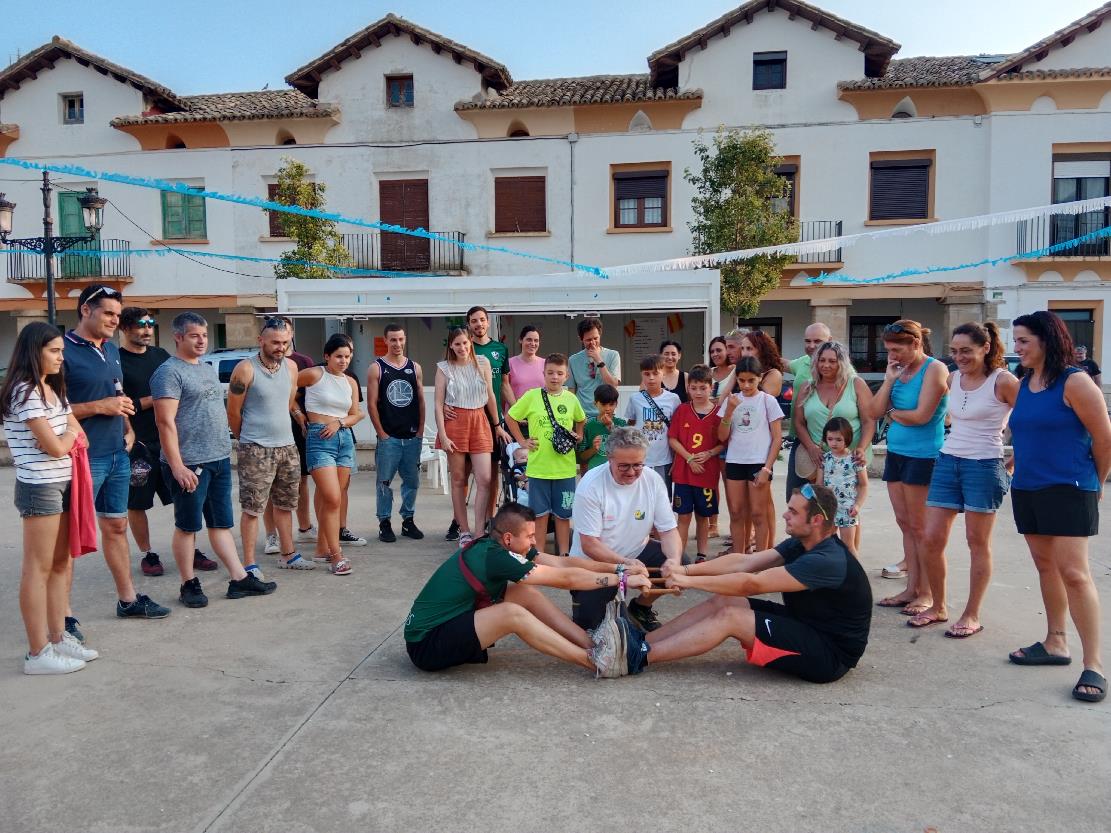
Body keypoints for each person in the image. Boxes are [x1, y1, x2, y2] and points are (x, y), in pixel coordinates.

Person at [646, 484, 872, 685]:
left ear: (816, 520)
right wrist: (685, 570)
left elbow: (751, 584)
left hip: (830, 655)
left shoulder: (825, 560)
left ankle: (639, 655)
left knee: (731, 618)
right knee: (725, 601)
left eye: (793, 512)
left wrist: (689, 582)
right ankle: (643, 642)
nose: (785, 515)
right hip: (807, 624)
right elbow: (746, 562)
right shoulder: (802, 543)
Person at [403, 503, 651, 675]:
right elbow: (564, 579)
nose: (535, 541)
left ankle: (591, 642)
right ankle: (595, 661)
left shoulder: (498, 546)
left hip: (446, 625)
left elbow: (563, 562)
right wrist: (620, 581)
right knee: (511, 614)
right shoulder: (497, 558)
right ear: (509, 538)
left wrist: (618, 567)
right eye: (530, 536)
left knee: (524, 593)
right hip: (426, 646)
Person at [1007, 311, 1110, 703]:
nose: (1016, 349)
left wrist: (1095, 483)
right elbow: (1032, 431)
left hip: (1070, 486)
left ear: (1046, 341)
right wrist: (1018, 460)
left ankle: (1095, 664)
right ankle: (1055, 642)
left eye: (1023, 342)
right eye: (1015, 341)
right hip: (1028, 487)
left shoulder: (1076, 381)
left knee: (1075, 573)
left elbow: (1104, 438)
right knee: (1045, 566)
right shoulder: (1025, 382)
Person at [63, 284, 169, 636]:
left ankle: (127, 600)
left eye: (116, 315)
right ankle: (63, 616)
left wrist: (127, 427)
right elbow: (48, 410)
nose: (114, 320)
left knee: (116, 526)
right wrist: (98, 408)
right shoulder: (61, 350)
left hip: (116, 453)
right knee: (68, 539)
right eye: (108, 313)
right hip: (81, 458)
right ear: (85, 311)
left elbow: (117, 392)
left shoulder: (109, 350)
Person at [152, 312, 278, 607]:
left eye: (205, 336)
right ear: (179, 337)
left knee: (220, 524)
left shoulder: (206, 368)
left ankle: (238, 579)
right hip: (190, 464)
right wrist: (177, 466)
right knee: (187, 526)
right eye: (195, 335)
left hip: (218, 458)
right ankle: (188, 583)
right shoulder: (168, 373)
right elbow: (164, 422)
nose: (201, 341)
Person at [4, 322, 98, 674]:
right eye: (54, 351)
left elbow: (78, 434)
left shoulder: (51, 388)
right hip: (40, 487)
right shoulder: (25, 391)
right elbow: (57, 445)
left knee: (62, 563)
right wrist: (71, 432)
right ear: (34, 351)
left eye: (61, 350)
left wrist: (72, 433)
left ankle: (58, 639)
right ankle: (37, 653)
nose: (62, 357)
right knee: (37, 568)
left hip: (64, 483)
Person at [911, 322, 1018, 634]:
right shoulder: (952, 378)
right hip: (948, 461)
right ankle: (939, 606)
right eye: (955, 351)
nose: (959, 357)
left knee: (977, 542)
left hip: (984, 464)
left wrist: (1011, 464)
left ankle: (971, 614)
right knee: (931, 539)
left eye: (966, 351)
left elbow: (1028, 423)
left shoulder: (1004, 381)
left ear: (985, 348)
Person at [569, 426, 685, 634]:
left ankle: (641, 607)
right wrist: (623, 564)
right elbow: (589, 544)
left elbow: (668, 531)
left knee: (683, 563)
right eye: (623, 466)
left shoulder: (652, 479)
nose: (632, 472)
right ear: (609, 458)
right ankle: (601, 603)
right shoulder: (591, 485)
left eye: (638, 465)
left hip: (636, 551)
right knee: (595, 631)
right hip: (594, 563)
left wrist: (673, 561)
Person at [868, 320, 949, 615]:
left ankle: (926, 593)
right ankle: (911, 588)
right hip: (897, 454)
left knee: (920, 528)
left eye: (897, 349)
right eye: (888, 350)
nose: (892, 355)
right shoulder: (897, 372)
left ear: (915, 344)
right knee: (905, 524)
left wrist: (892, 413)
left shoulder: (935, 369)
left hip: (923, 456)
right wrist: (889, 381)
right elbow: (873, 412)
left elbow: (921, 416)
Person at [227, 317, 312, 572]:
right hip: (256, 448)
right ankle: (249, 564)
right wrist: (249, 440)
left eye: (285, 342)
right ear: (260, 340)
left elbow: (286, 403)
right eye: (275, 342)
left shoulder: (292, 368)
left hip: (287, 446)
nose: (281, 347)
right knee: (253, 508)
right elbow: (233, 413)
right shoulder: (245, 369)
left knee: (286, 504)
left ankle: (289, 555)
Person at [118, 307, 186, 578]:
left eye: (150, 324)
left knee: (184, 495)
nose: (147, 329)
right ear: (124, 328)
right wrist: (153, 400)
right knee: (138, 503)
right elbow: (120, 403)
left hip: (170, 441)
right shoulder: (117, 361)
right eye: (140, 325)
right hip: (138, 445)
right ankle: (148, 554)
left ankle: (189, 545)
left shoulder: (161, 356)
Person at [296, 334, 365, 575]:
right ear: (327, 356)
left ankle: (322, 549)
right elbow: (285, 387)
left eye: (347, 356)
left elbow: (357, 413)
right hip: (319, 438)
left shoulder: (351, 382)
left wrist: (340, 422)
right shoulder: (315, 374)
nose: (343, 360)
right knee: (332, 498)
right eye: (338, 356)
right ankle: (337, 557)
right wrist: (297, 412)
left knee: (333, 498)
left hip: (344, 439)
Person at [792, 341, 875, 539]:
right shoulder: (807, 387)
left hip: (849, 458)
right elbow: (798, 423)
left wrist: (861, 448)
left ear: (842, 363)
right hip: (819, 458)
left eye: (832, 361)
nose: (826, 365)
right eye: (822, 360)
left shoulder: (856, 384)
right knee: (819, 509)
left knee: (849, 510)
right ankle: (823, 553)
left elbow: (869, 421)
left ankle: (849, 555)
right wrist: (811, 447)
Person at [506, 353, 586, 557]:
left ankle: (564, 556)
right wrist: (522, 442)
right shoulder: (532, 396)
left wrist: (580, 435)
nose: (555, 377)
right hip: (539, 469)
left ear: (566, 376)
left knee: (563, 516)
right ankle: (539, 556)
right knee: (539, 516)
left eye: (560, 373)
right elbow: (511, 417)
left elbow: (581, 419)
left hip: (565, 469)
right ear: (543, 373)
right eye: (550, 372)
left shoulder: (571, 398)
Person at [436, 327, 500, 549]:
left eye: (465, 343)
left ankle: (480, 530)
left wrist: (497, 425)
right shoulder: (444, 368)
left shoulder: (483, 362)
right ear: (451, 347)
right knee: (458, 480)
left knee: (484, 478)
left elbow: (490, 395)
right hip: (455, 423)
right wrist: (443, 435)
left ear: (471, 341)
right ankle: (464, 531)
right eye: (457, 344)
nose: (462, 348)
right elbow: (437, 403)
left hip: (480, 420)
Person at [717, 357, 784, 555]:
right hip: (735, 461)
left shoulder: (767, 401)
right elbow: (722, 437)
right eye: (741, 380)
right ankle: (739, 557)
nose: (746, 385)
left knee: (758, 513)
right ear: (736, 379)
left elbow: (777, 438)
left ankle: (761, 559)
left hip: (758, 463)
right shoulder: (732, 400)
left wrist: (767, 468)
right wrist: (729, 411)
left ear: (760, 378)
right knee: (737, 513)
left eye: (751, 381)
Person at [367, 323, 425, 543]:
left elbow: (420, 400)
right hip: (389, 438)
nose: (398, 343)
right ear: (386, 340)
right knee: (384, 482)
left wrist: (420, 430)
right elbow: (372, 404)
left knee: (412, 482)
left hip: (411, 437)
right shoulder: (377, 368)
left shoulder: (415, 367)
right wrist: (381, 433)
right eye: (393, 339)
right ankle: (384, 523)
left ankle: (408, 521)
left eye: (401, 339)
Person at [263, 321, 317, 552]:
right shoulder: (256, 365)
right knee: (267, 485)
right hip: (267, 431)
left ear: (291, 334)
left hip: (298, 431)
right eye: (276, 337)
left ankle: (304, 528)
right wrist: (295, 412)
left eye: (285, 334)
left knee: (301, 480)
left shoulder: (302, 362)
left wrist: (304, 418)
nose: (281, 342)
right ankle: (271, 535)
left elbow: (306, 393)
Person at [667, 365, 724, 562]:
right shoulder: (682, 410)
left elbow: (723, 443)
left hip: (707, 475)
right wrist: (689, 458)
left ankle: (701, 555)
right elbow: (673, 439)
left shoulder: (718, 414)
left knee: (703, 517)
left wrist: (709, 453)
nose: (698, 392)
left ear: (711, 387)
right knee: (683, 517)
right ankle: (679, 556)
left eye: (703, 387)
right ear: (688, 388)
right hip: (684, 473)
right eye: (694, 388)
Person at [784, 322, 832, 499]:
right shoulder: (802, 363)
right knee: (797, 498)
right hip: (802, 442)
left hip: (831, 446)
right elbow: (781, 363)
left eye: (817, 341)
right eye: (807, 341)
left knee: (830, 503)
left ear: (830, 341)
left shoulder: (847, 373)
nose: (811, 346)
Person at [623, 355, 681, 493]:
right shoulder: (635, 399)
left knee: (664, 498)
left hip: (664, 459)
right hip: (640, 460)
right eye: (646, 374)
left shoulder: (673, 399)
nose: (651, 378)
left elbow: (677, 431)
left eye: (655, 373)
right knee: (640, 498)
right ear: (641, 375)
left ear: (663, 373)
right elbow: (630, 425)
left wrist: (677, 459)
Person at [816, 417, 867, 555]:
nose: (834, 443)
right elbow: (819, 485)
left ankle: (855, 575)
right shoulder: (824, 459)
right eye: (830, 439)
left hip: (847, 509)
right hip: (828, 509)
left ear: (847, 438)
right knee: (825, 545)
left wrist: (857, 505)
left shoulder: (855, 460)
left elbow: (863, 485)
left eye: (839, 439)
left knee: (848, 547)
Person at [567, 317, 621, 420]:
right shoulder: (573, 360)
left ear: (600, 335)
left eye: (595, 338)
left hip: (606, 414)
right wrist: (573, 415)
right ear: (581, 339)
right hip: (582, 416)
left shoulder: (613, 355)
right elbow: (571, 391)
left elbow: (613, 384)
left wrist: (599, 361)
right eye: (588, 340)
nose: (592, 342)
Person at [577, 384, 625, 472]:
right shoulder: (588, 425)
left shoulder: (622, 424)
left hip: (617, 472)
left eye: (611, 404)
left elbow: (627, 448)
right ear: (595, 403)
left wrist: (611, 426)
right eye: (603, 404)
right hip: (595, 472)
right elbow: (582, 457)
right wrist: (593, 449)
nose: (607, 408)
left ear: (616, 404)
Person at [504, 325, 544, 407]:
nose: (533, 343)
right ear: (520, 340)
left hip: (539, 415)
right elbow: (504, 388)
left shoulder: (546, 364)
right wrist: (517, 411)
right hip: (515, 415)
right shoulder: (509, 363)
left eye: (536, 340)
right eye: (529, 340)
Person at [707, 336, 735, 405]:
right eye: (712, 352)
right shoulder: (707, 372)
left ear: (727, 351)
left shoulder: (736, 371)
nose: (715, 354)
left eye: (718, 350)